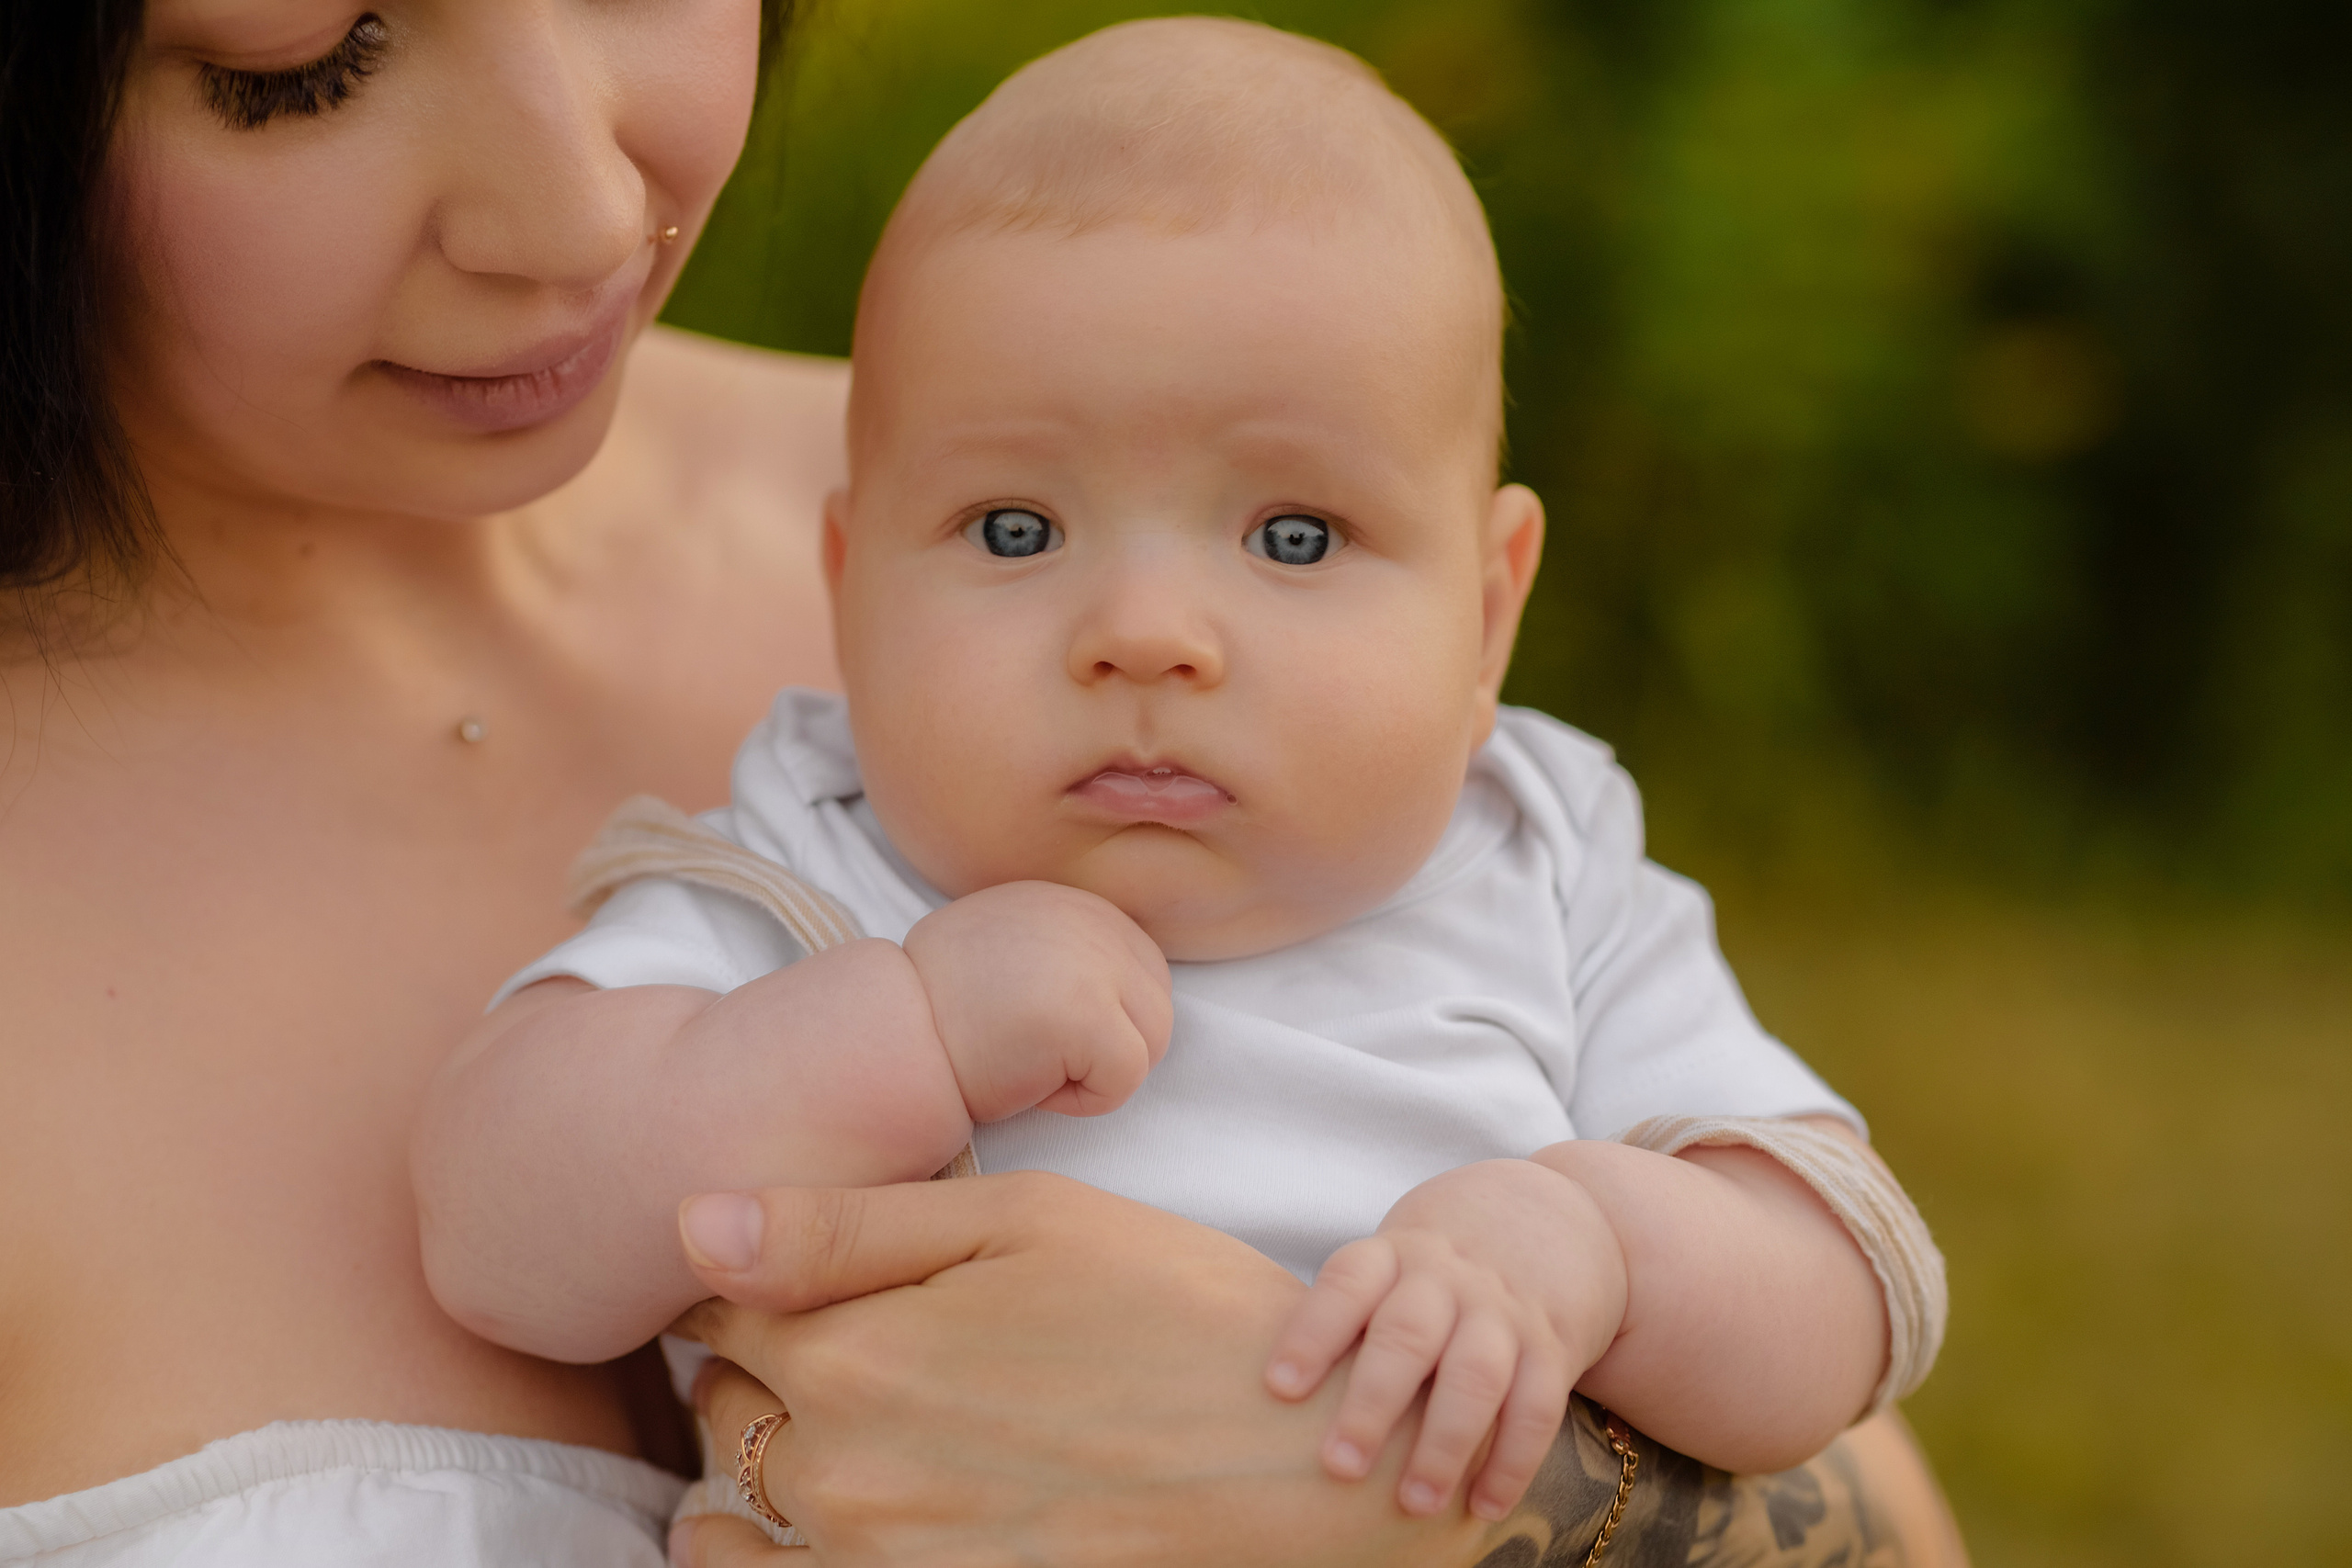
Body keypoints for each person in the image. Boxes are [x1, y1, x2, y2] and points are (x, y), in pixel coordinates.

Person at [0, 2, 1967, 1564]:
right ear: (852, 576)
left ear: (1490, 606)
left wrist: (1578, 1291)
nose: (1147, 632)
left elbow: (1851, 1359)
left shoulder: (1523, 848)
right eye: (300, 62)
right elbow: (509, 1218)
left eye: (1291, 540)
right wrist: (899, 1031)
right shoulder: (843, 831)